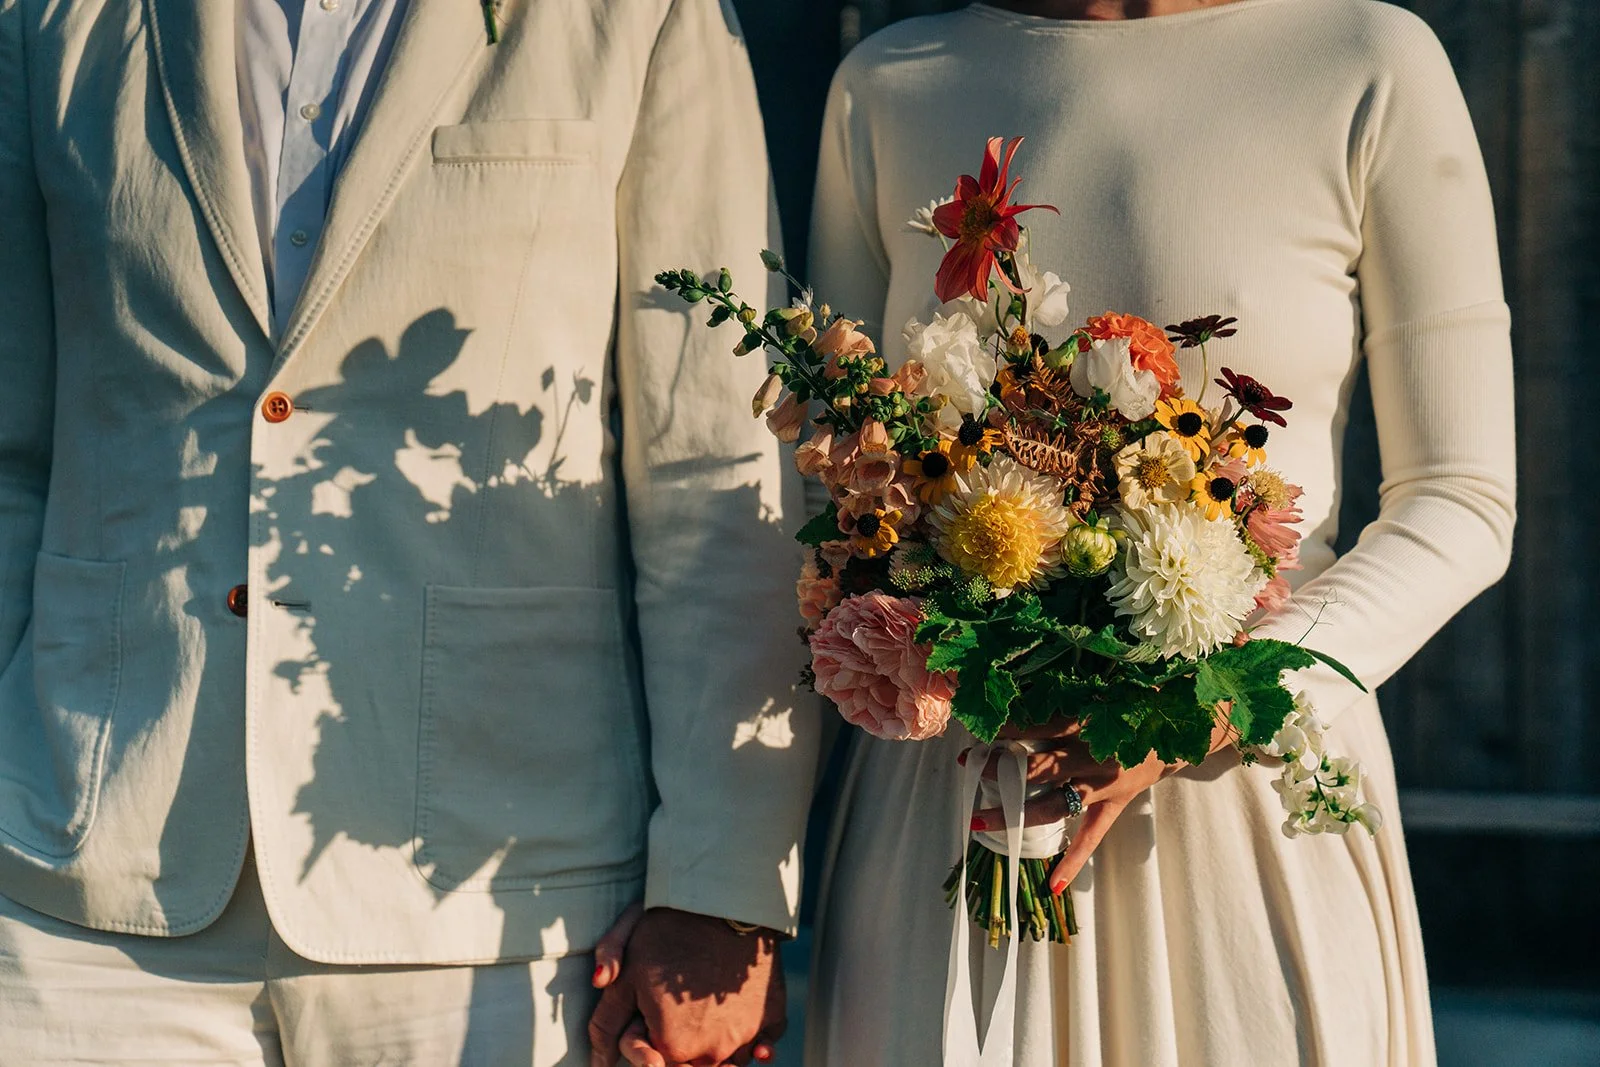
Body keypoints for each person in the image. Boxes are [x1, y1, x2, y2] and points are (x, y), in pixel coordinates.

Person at [0, 1, 812, 1064]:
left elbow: (716, 457)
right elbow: (15, 449)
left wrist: (722, 884)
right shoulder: (52, 17)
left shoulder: (642, 15)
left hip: (496, 889)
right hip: (79, 884)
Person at [805, 1, 1515, 1064]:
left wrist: (1205, 705)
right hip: (953, 807)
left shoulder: (1366, 62)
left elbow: (1460, 496)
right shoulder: (891, 83)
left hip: (1245, 808)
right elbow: (830, 475)